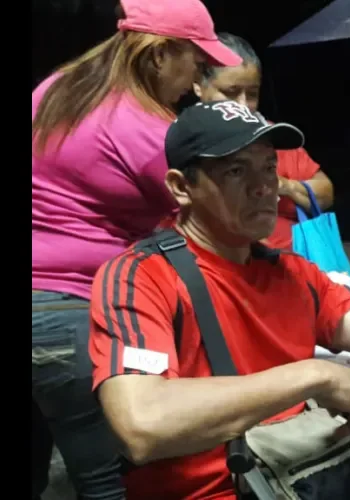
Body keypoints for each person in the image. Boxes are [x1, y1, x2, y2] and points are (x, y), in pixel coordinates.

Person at [87, 101, 350, 499]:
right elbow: (142, 424)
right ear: (182, 187)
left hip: (308, 474)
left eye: (269, 167)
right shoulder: (141, 276)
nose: (265, 187)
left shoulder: (294, 273)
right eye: (236, 170)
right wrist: (314, 375)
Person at [31, 1, 241, 498]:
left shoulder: (57, 88)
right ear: (160, 54)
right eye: (197, 61)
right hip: (71, 308)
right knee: (111, 477)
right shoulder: (147, 133)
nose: (196, 80)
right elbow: (216, 221)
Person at [192, 33, 335, 250]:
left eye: (252, 94)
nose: (243, 104)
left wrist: (284, 185)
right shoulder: (183, 144)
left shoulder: (273, 134)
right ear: (197, 85)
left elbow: (326, 193)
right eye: (230, 92)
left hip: (295, 260)